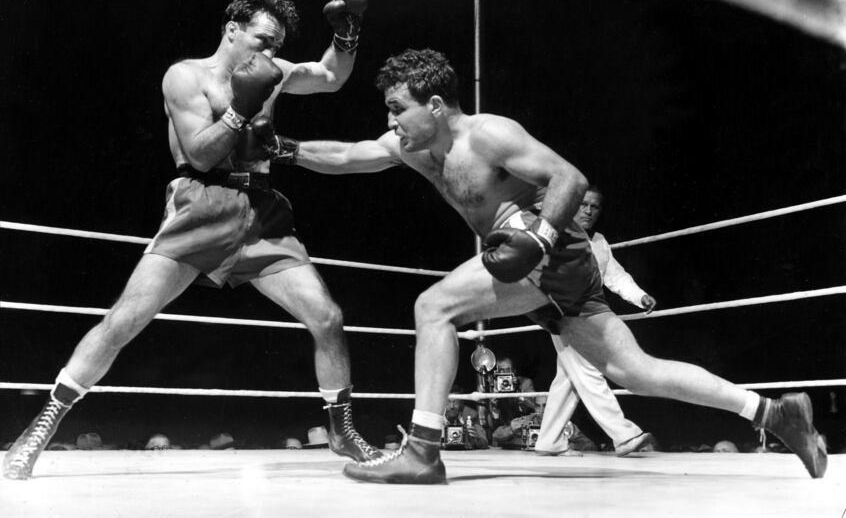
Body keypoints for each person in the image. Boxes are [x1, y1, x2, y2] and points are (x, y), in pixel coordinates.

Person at [251, 47, 827, 484]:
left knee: (434, 306)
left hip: (548, 251)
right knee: (634, 369)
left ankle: (424, 452)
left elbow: (569, 178)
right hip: (533, 262)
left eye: (397, 108)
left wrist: (542, 239)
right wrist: (284, 149)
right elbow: (352, 157)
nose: (391, 119)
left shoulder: (490, 134)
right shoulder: (410, 146)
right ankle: (775, 412)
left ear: (434, 104)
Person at [2, 0, 382, 481]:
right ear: (231, 30)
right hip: (200, 202)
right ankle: (42, 427)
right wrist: (241, 107)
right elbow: (201, 153)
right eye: (262, 40)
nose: (271, 53)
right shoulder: (185, 77)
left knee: (327, 317)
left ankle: (342, 429)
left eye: (277, 46)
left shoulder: (276, 72)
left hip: (262, 211)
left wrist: (347, 35)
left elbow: (331, 77)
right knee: (123, 322)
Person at [535, 186, 657, 457]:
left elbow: (615, 276)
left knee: (568, 378)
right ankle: (624, 435)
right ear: (572, 205)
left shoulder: (599, 241)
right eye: (583, 205)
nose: (588, 211)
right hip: (562, 313)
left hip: (590, 315)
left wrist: (640, 296)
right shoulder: (557, 235)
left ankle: (548, 440)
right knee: (589, 370)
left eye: (595, 207)